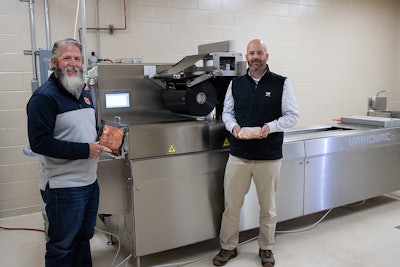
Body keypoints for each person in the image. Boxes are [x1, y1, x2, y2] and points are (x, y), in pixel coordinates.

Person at [213, 39, 299, 267]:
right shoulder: (236, 84)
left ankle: (266, 248)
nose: (255, 57)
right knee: (231, 205)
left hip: (268, 155)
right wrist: (235, 128)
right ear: (246, 57)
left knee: (268, 207)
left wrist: (269, 128)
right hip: (239, 154)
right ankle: (228, 247)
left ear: (266, 56)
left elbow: (292, 116)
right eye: (251, 53)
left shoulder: (281, 83)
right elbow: (227, 113)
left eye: (259, 53)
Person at [26, 38, 111, 267]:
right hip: (63, 187)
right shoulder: (44, 98)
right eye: (66, 58)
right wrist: (86, 150)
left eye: (77, 58)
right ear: (54, 62)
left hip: (89, 182)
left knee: (84, 239)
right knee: (62, 246)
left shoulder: (83, 92)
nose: (73, 63)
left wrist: (103, 137)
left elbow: (83, 130)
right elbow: (40, 143)